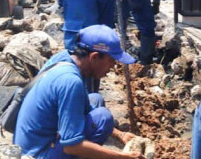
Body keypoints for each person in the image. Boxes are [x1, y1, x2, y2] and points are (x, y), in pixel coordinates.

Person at [14, 25, 144, 159]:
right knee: (103, 119)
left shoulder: (64, 58)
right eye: (111, 61)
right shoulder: (71, 82)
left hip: (31, 142)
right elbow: (71, 146)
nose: (113, 67)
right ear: (94, 57)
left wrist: (120, 135)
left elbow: (86, 106)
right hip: (37, 154)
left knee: (95, 99)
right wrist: (121, 157)